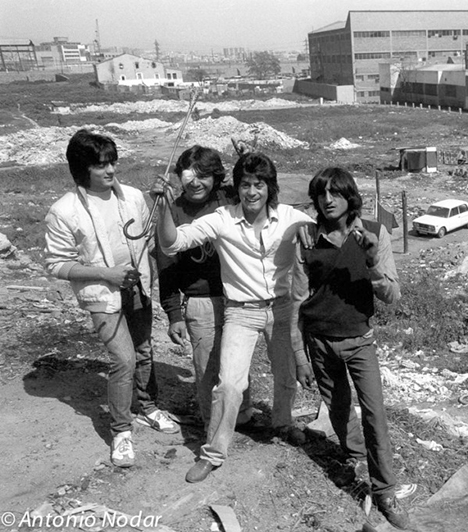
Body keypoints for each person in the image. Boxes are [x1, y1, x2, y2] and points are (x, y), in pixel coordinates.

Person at [152, 151, 314, 484]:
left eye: (259, 184)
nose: (251, 192)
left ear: (270, 187)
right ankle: (213, 453)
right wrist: (166, 208)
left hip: (281, 308)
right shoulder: (222, 219)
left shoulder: (289, 217)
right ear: (236, 187)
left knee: (285, 374)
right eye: (245, 184)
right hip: (241, 312)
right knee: (228, 384)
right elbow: (172, 244)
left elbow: (327, 231)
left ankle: (283, 424)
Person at [44, 129, 178, 469]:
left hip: (138, 288)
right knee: (124, 359)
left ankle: (147, 407)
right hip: (104, 295)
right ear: (81, 169)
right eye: (101, 165)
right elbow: (57, 264)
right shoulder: (65, 211)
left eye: (112, 162)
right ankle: (120, 430)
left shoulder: (132, 197)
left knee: (145, 350)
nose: (110, 170)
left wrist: (161, 203)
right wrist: (106, 273)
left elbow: (150, 239)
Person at [291, 167, 409, 530]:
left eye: (336, 194)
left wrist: (372, 258)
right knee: (339, 411)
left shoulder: (374, 233)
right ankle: (357, 461)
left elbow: (392, 295)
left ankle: (386, 490)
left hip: (359, 341)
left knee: (375, 414)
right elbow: (296, 299)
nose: (328, 201)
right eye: (322, 194)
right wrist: (299, 356)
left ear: (349, 197)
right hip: (319, 340)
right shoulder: (308, 237)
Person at [155, 145, 257, 431]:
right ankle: (213, 424)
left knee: (238, 364)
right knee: (208, 369)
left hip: (239, 297)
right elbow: (166, 266)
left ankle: (244, 416)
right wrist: (174, 313)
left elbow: (257, 191)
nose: (196, 182)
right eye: (189, 176)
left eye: (204, 175)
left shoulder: (228, 199)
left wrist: (247, 161)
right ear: (178, 177)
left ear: (217, 177)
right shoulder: (172, 213)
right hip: (201, 302)